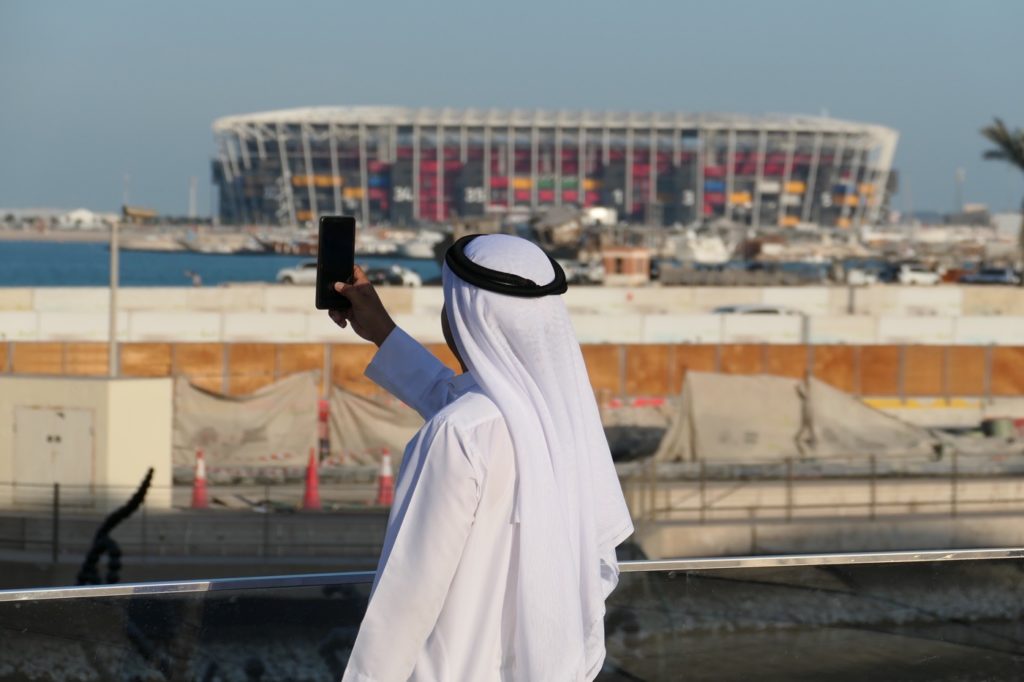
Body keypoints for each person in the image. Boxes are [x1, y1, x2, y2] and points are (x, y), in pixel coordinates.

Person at [330, 234, 633, 682]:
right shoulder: (560, 420)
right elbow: (467, 401)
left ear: (466, 314)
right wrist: (382, 332)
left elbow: (405, 601)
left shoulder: (459, 433)